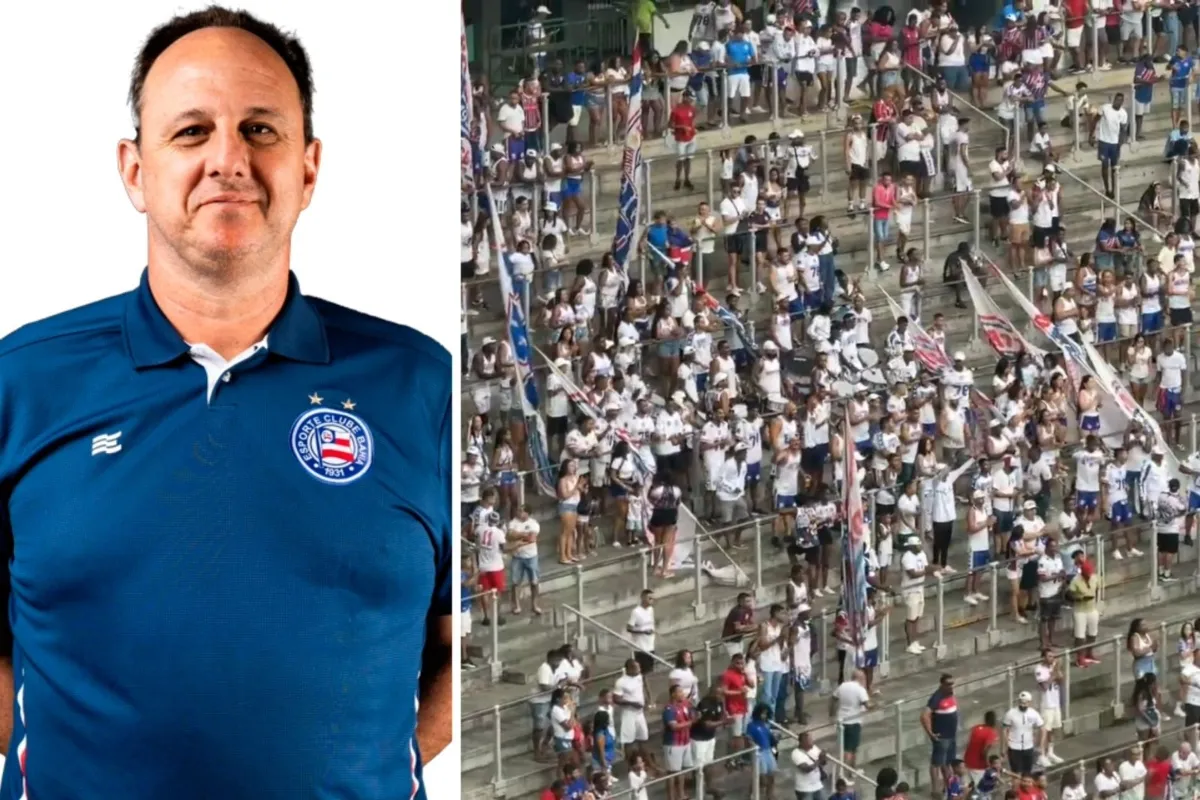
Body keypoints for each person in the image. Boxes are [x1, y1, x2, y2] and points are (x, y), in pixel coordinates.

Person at [0, 9, 455, 797]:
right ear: (134, 170)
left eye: (260, 129)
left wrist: (384, 765)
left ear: (309, 168)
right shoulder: (21, 381)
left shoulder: (423, 384)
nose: (227, 159)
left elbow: (458, 636)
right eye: (190, 131)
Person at [922, 673, 960, 796]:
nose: (951, 686)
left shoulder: (951, 694)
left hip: (952, 735)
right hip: (942, 737)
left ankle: (948, 787)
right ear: (942, 685)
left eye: (952, 684)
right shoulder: (936, 697)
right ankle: (935, 790)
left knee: (947, 762)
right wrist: (931, 733)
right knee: (936, 763)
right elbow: (924, 716)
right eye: (948, 684)